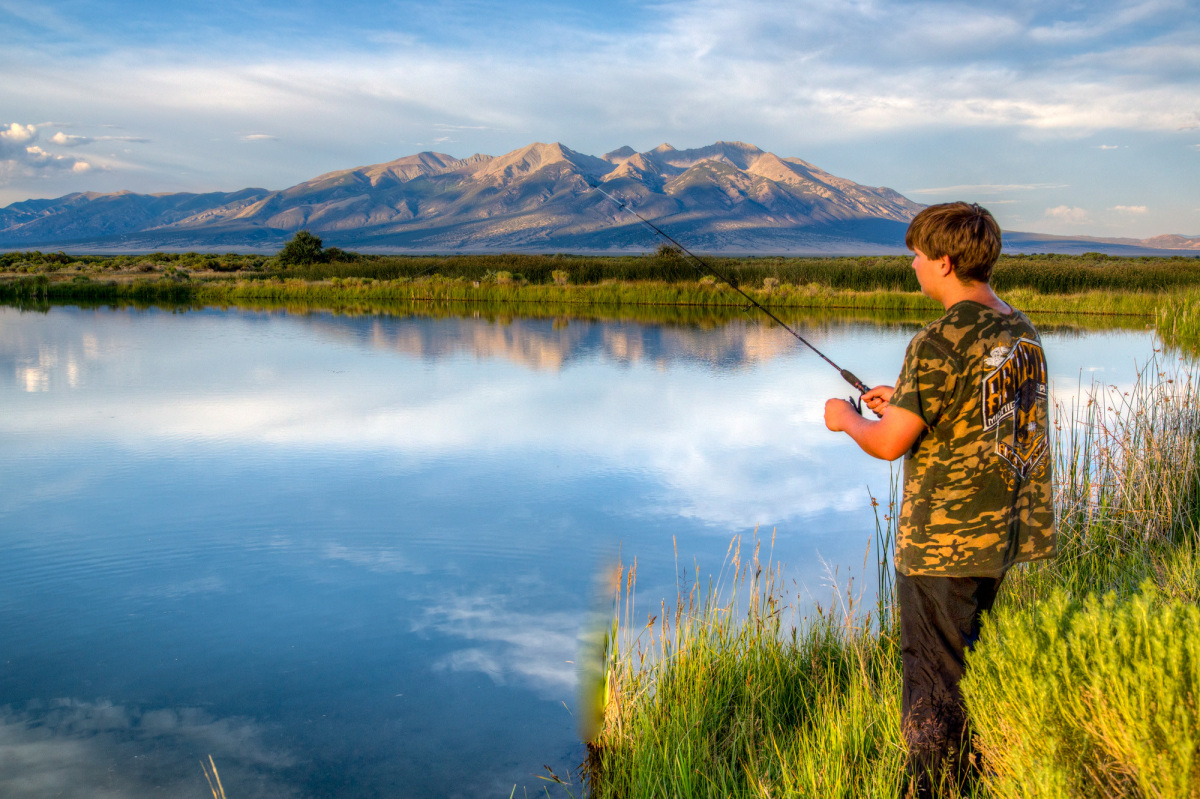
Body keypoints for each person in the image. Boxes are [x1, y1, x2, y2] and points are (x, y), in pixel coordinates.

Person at [823, 202, 1056, 797]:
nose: (913, 264)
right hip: (999, 539)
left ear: (945, 262)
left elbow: (890, 443)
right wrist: (902, 396)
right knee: (963, 668)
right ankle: (970, 775)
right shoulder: (1020, 331)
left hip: (942, 545)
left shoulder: (938, 339)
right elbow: (978, 409)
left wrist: (846, 419)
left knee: (930, 682)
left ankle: (930, 788)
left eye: (918, 255)